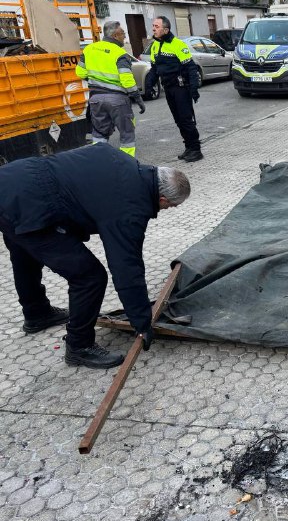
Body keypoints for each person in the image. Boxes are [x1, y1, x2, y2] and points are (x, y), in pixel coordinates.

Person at [0, 144, 191, 369]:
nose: (170, 210)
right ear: (161, 198)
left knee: (25, 252)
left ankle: (37, 313)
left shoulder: (118, 158)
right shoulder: (130, 207)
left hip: (10, 184)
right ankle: (79, 347)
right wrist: (141, 321)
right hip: (28, 205)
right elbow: (126, 267)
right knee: (89, 276)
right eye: (172, 206)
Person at [75, 21, 145, 157]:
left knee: (99, 134)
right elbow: (126, 79)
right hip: (118, 100)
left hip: (95, 100)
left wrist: (97, 81)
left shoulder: (89, 49)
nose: (124, 37)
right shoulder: (119, 53)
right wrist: (138, 98)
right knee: (127, 135)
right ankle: (127, 164)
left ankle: (100, 162)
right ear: (116, 35)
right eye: (123, 34)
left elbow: (80, 73)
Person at [147, 16, 203, 162]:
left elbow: (190, 68)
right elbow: (154, 69)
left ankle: (196, 150)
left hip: (181, 88)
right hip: (168, 89)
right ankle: (188, 147)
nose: (153, 28)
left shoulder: (178, 44)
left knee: (186, 119)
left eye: (157, 26)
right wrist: (149, 85)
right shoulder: (154, 46)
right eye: (153, 25)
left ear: (165, 29)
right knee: (178, 120)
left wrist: (194, 89)